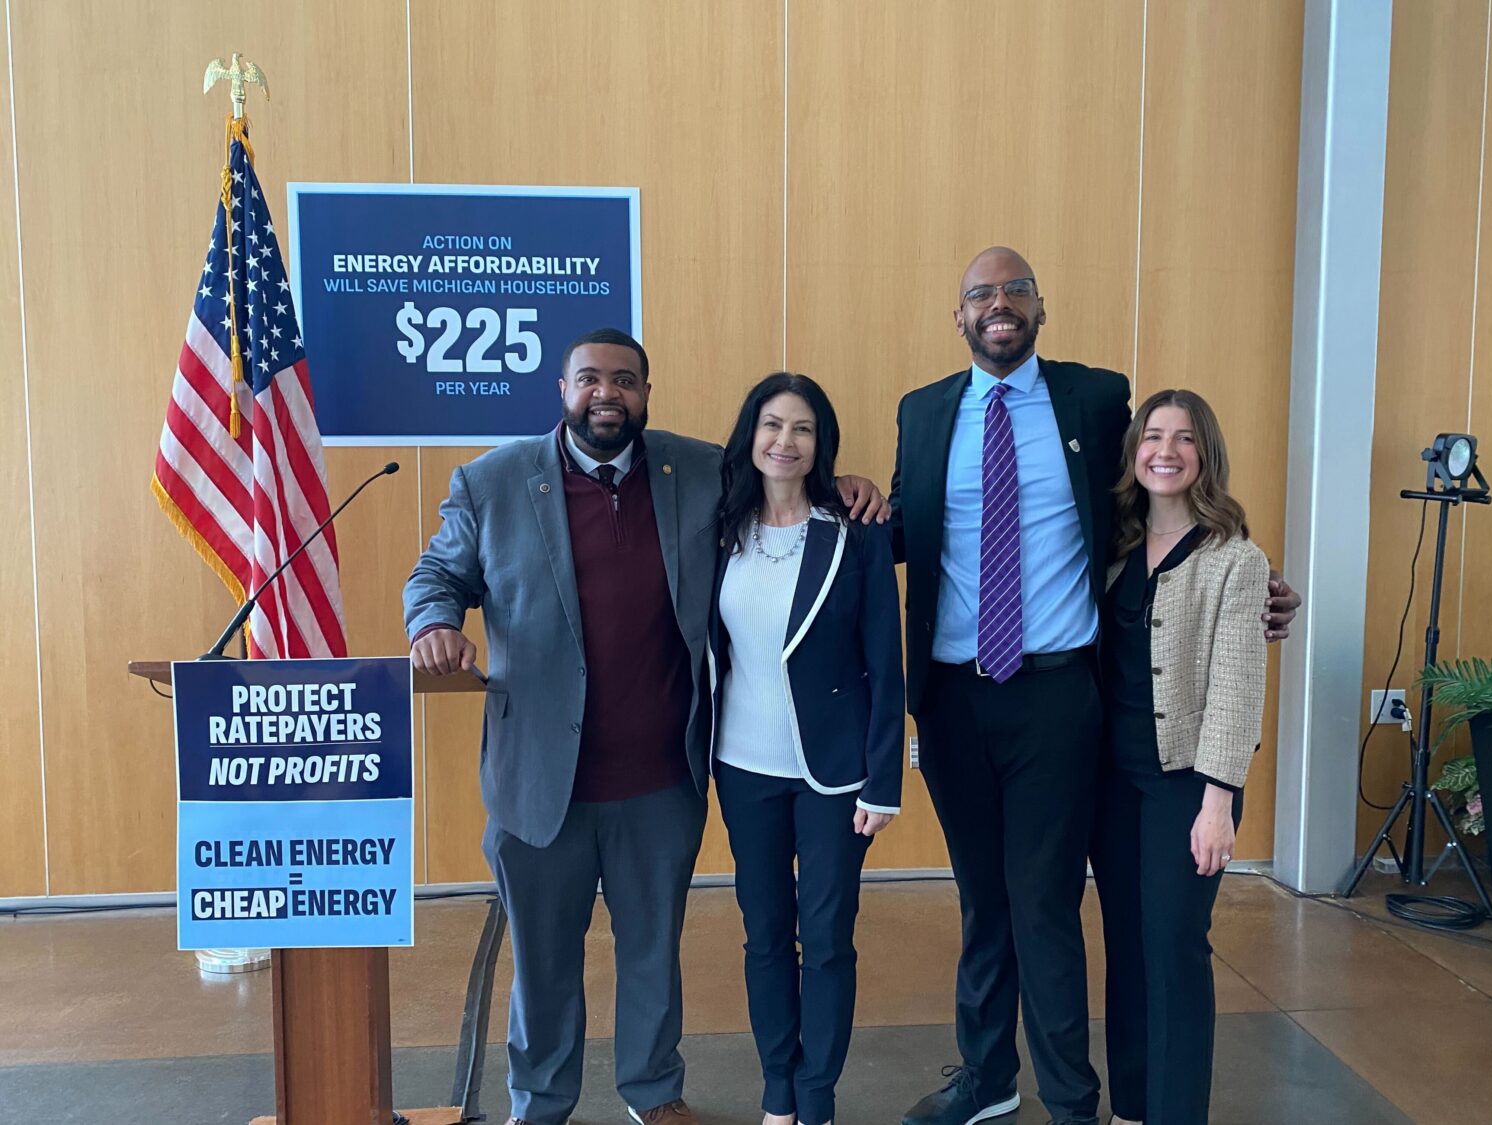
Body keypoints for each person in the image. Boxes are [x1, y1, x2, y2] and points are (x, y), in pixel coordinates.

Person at [403, 329, 885, 1125]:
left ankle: (653, 1091)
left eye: (624, 380)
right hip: (538, 781)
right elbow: (439, 572)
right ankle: (543, 1101)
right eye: (590, 378)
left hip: (661, 776)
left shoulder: (695, 469)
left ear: (646, 394)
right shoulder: (491, 481)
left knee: (653, 952)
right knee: (544, 961)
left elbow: (784, 480)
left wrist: (848, 484)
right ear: (561, 388)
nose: (607, 393)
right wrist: (433, 622)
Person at [890, 248, 1301, 1125]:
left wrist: (1251, 589)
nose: (999, 306)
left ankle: (1075, 1099)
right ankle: (987, 1075)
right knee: (982, 896)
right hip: (954, 697)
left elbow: (1163, 506)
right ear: (956, 316)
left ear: (1041, 307)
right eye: (980, 295)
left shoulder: (1097, 396)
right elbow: (904, 520)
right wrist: (839, 494)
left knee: (1042, 898)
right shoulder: (923, 413)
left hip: (1055, 694)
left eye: (1015, 292)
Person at [707, 374, 904, 1125]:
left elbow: (885, 665)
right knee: (764, 935)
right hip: (742, 767)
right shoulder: (721, 527)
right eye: (771, 425)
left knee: (824, 938)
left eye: (802, 429)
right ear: (750, 435)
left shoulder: (856, 536)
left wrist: (881, 781)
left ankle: (817, 1098)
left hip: (833, 777)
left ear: (822, 445)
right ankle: (777, 1092)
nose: (784, 442)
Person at [1090, 390, 1268, 1125]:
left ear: (1206, 454)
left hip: (1187, 788)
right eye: (1152, 436)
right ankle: (1131, 1105)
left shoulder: (1236, 558)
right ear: (1135, 452)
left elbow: (1236, 688)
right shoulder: (1114, 546)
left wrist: (1218, 800)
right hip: (1111, 783)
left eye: (1184, 438)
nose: (1166, 450)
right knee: (1126, 950)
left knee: (1174, 950)